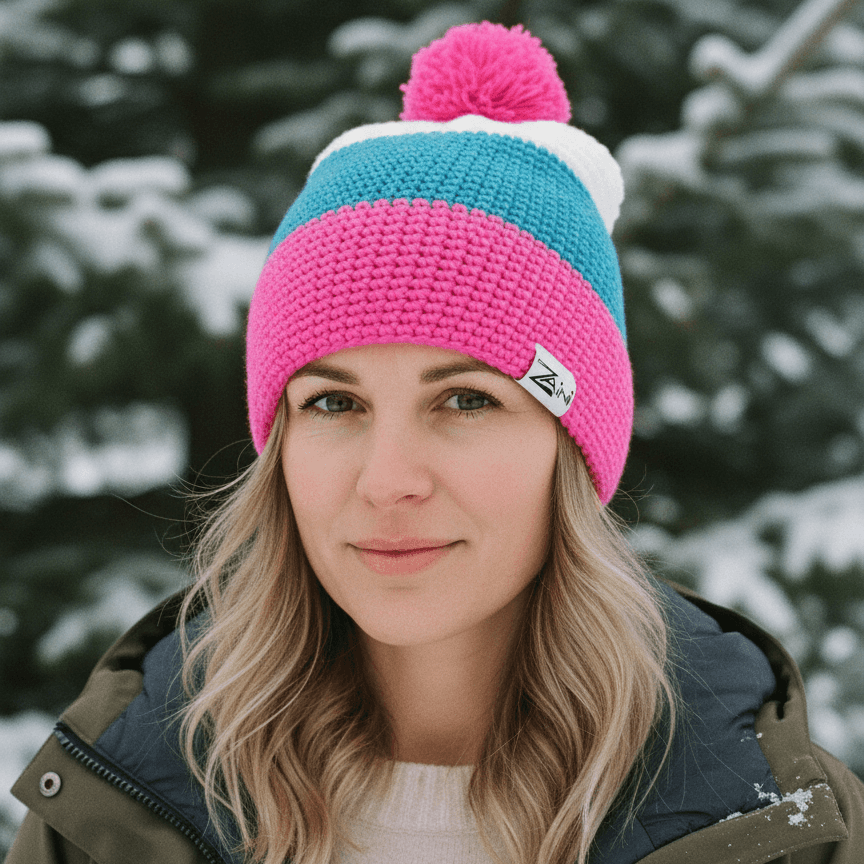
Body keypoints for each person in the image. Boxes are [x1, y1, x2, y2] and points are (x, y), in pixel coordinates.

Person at [6, 20, 864, 864]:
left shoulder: (769, 822)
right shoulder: (126, 794)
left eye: (464, 399)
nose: (388, 482)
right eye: (334, 404)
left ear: (570, 443)